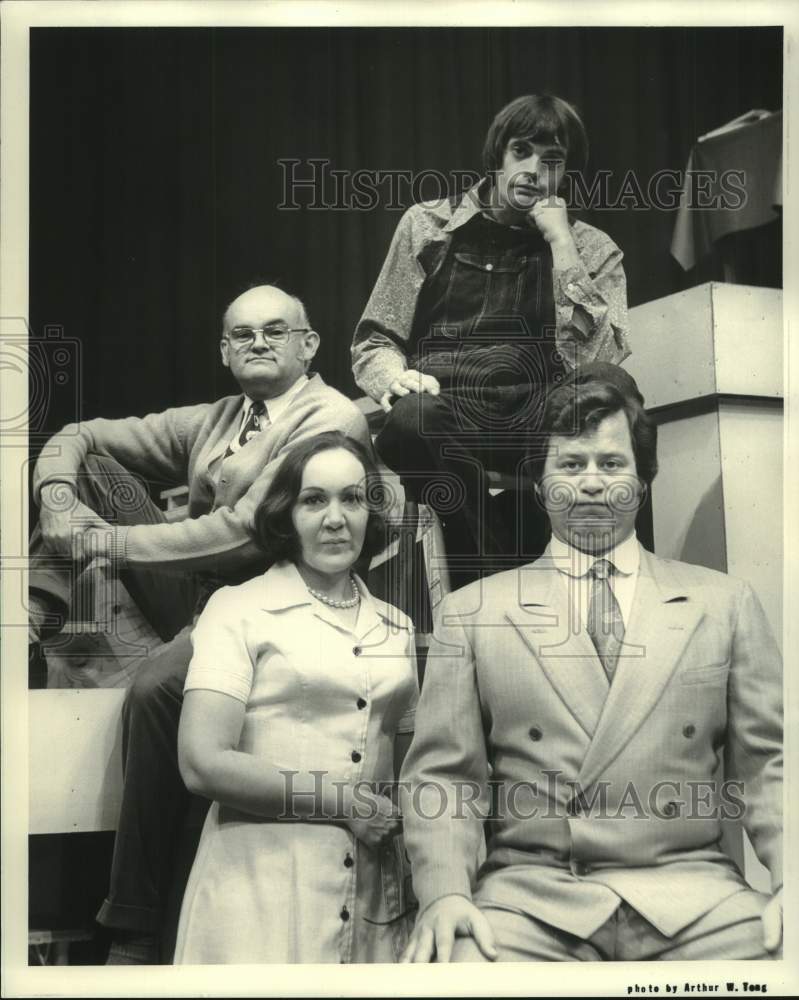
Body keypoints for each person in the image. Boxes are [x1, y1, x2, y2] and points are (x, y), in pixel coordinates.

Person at [29, 284, 372, 962]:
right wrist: (59, 500)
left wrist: (104, 543)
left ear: (310, 345)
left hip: (277, 598)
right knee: (93, 469)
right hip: (196, 594)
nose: (259, 343)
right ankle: (31, 614)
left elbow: (244, 535)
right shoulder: (218, 417)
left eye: (277, 331)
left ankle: (133, 920)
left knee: (157, 688)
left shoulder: (328, 416)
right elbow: (82, 434)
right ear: (223, 350)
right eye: (242, 335)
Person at [398, 363, 782, 962]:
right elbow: (443, 779)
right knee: (456, 965)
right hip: (531, 901)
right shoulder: (473, 612)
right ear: (539, 483)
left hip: (695, 898)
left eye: (612, 464)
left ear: (643, 480)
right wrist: (444, 894)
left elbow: (772, 764)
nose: (593, 484)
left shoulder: (724, 604)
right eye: (571, 466)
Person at [352, 95, 630, 585]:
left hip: (540, 419)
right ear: (497, 154)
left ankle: (611, 584)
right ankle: (496, 576)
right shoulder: (427, 225)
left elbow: (599, 362)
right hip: (447, 411)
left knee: (613, 393)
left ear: (565, 175)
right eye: (520, 151)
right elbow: (375, 339)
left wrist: (561, 245)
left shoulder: (591, 247)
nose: (531, 170)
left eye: (551, 161)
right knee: (412, 420)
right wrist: (393, 379)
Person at [172, 431, 418, 964]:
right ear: (286, 514)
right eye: (314, 500)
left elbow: (411, 768)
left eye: (352, 498)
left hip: (376, 897)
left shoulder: (397, 627)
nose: (336, 518)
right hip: (258, 891)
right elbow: (201, 762)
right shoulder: (237, 608)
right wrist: (343, 802)